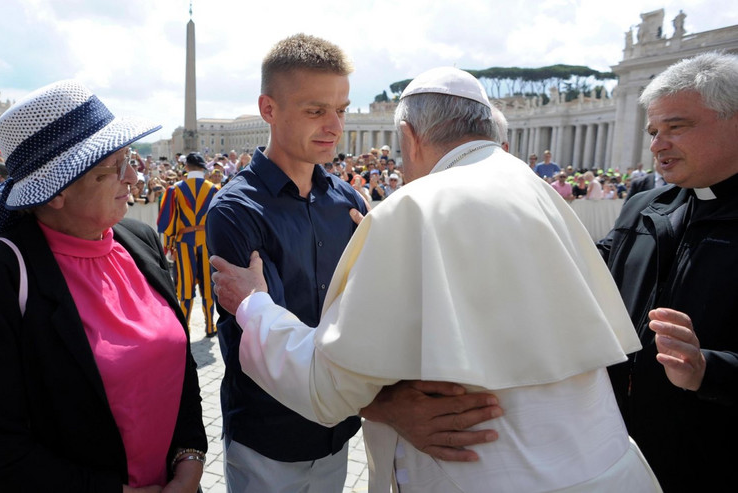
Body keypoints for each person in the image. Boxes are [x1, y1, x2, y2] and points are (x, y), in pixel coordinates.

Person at [211, 67, 660, 493]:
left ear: (410, 137)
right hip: (607, 461)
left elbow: (327, 387)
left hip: (482, 472)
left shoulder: (413, 207)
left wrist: (254, 304)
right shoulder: (536, 187)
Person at [206, 36, 500, 493]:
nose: (334, 126)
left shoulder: (347, 201)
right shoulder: (234, 210)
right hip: (270, 436)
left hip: (339, 431)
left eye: (341, 109)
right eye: (315, 110)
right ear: (269, 108)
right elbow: (257, 340)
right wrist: (385, 404)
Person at [0, 79, 208, 492]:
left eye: (130, 159)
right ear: (56, 190)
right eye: (116, 165)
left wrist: (189, 459)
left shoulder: (141, 241)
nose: (134, 176)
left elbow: (179, 365)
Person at [598, 51, 738, 492]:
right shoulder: (642, 208)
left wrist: (707, 369)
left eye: (676, 127)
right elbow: (586, 275)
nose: (657, 144)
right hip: (621, 456)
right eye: (654, 131)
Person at [157, 152, 219, 338]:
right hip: (207, 242)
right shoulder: (214, 189)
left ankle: (185, 327)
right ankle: (210, 326)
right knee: (208, 285)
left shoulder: (175, 189)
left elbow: (168, 220)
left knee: (185, 285)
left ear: (186, 168)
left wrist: (168, 246)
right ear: (203, 168)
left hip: (184, 242)